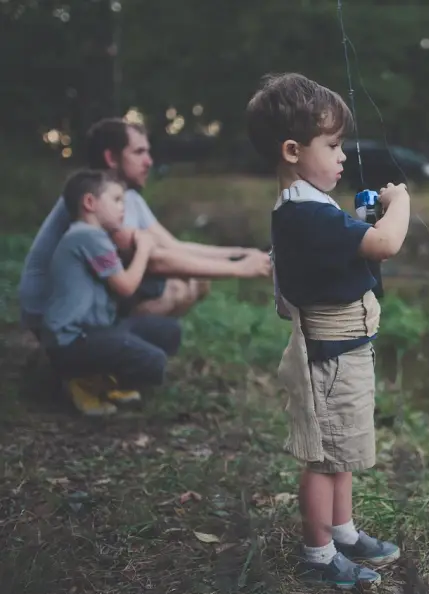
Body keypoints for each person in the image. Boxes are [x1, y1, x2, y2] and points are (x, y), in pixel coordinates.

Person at [245, 72, 411, 591]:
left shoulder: (310, 205)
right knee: (323, 459)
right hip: (332, 357)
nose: (342, 156)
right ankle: (318, 554)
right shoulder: (304, 212)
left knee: (342, 451)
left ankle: (343, 531)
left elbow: (350, 253)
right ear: (293, 150)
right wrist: (400, 204)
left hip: (346, 350)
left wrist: (363, 220)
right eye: (333, 145)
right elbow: (384, 245)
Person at [18, 117, 272, 412]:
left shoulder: (123, 197)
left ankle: (104, 362)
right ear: (111, 158)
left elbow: (174, 246)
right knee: (177, 286)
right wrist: (241, 269)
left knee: (193, 282)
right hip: (50, 311)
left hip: (84, 306)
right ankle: (84, 369)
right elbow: (156, 260)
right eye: (139, 152)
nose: (149, 161)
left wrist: (242, 253)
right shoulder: (100, 202)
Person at [41, 169, 182, 417]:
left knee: (169, 331)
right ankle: (85, 382)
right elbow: (126, 286)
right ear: (89, 203)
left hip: (94, 332)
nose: (123, 208)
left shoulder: (93, 237)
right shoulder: (87, 236)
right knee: (154, 361)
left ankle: (104, 377)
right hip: (71, 342)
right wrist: (144, 248)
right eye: (116, 200)